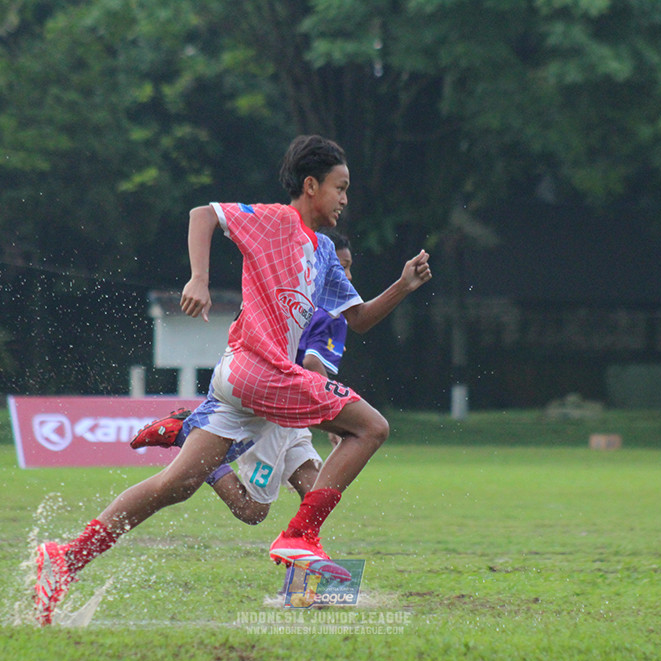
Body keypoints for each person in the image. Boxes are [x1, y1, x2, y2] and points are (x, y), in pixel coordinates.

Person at [33, 135, 431, 626]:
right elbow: (203, 214)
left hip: (241, 380)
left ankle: (68, 556)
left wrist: (404, 285)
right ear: (311, 186)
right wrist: (198, 278)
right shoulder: (274, 221)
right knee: (372, 429)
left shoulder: (325, 252)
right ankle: (300, 537)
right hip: (262, 371)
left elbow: (361, 319)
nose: (346, 199)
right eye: (340, 187)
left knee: (176, 484)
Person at [134, 231, 356, 526]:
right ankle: (191, 438)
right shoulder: (327, 313)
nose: (349, 277)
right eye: (342, 267)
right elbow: (313, 361)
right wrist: (335, 411)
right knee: (252, 511)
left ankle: (302, 554)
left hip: (288, 408)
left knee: (316, 492)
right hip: (273, 406)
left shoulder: (287, 291)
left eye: (350, 267)